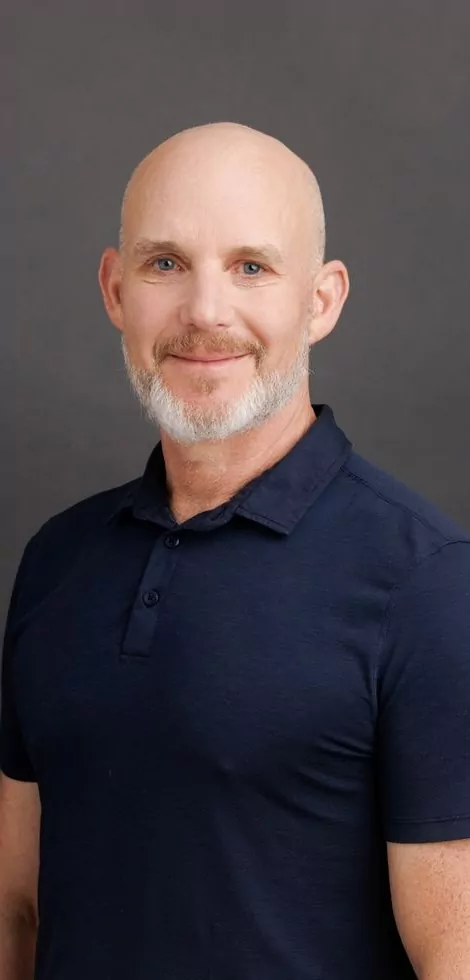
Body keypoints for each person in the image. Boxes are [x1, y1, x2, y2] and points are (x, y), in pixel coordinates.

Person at [1, 121, 469, 980]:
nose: (205, 312)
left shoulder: (428, 583)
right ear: (114, 289)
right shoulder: (56, 563)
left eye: (251, 266)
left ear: (321, 301)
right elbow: (17, 908)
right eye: (165, 264)